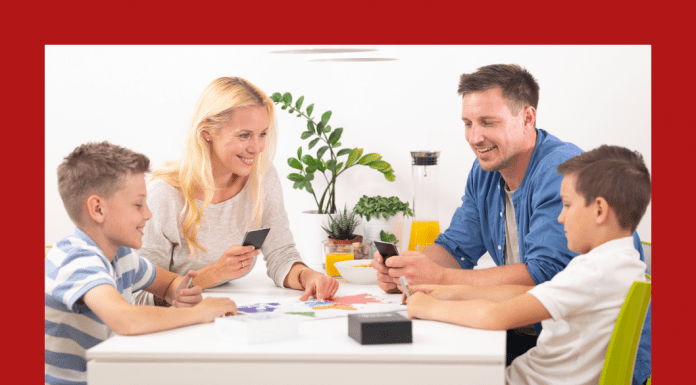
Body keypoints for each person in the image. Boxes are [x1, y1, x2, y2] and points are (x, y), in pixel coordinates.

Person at [371, 64, 650, 384]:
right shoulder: (485, 172)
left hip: (544, 344)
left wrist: (440, 286)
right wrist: (410, 272)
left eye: (488, 122)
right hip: (538, 340)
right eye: (468, 123)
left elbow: (542, 276)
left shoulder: (563, 172)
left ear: (528, 118)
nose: (475, 137)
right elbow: (455, 246)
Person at [405, 145, 651, 385]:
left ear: (599, 210)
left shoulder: (594, 271)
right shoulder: (625, 265)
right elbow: (530, 294)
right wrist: (447, 292)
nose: (560, 217)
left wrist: (427, 307)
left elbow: (496, 317)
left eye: (567, 204)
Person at [135, 77, 338, 307]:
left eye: (262, 134)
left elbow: (281, 253)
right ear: (206, 133)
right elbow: (141, 296)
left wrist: (307, 276)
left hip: (228, 313)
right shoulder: (164, 196)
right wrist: (215, 273)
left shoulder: (262, 177)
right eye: (244, 135)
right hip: (173, 323)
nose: (257, 147)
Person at [45, 142, 237, 385]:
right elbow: (126, 320)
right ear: (97, 209)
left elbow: (168, 285)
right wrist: (199, 313)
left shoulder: (122, 255)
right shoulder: (76, 259)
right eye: (138, 204)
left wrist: (180, 291)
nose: (148, 214)